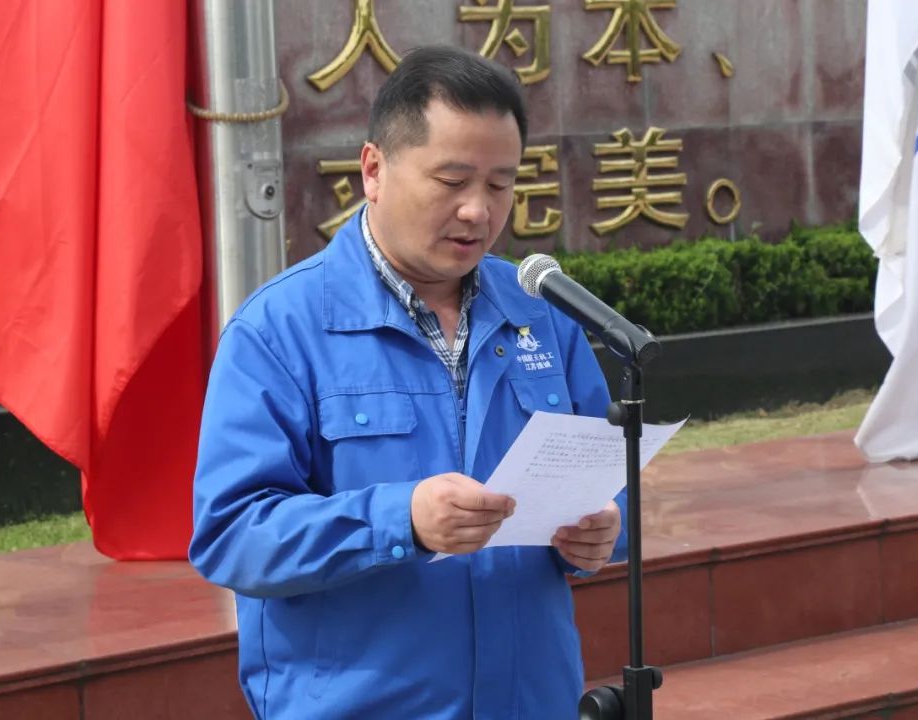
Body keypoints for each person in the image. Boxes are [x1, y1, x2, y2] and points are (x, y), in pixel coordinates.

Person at [190, 45, 627, 720]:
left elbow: (607, 478)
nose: (478, 211)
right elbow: (232, 534)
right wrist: (402, 520)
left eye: (500, 185)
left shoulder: (541, 314)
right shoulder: (279, 330)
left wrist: (606, 529)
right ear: (374, 169)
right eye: (452, 180)